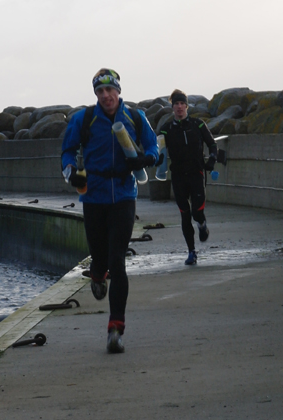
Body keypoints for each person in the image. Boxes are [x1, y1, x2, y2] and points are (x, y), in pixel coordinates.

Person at [61, 68, 159, 353]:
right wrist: (71, 174)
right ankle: (96, 274)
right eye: (100, 92)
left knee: (118, 260)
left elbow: (153, 148)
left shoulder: (135, 117)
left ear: (118, 90)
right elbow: (67, 151)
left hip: (124, 196)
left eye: (110, 90)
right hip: (93, 198)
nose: (106, 96)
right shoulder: (84, 119)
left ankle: (115, 329)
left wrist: (144, 158)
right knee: (100, 259)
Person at [159, 89, 217, 265]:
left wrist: (212, 159)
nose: (179, 107)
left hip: (197, 173)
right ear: (172, 107)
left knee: (197, 212)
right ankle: (191, 252)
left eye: (182, 104)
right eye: (176, 104)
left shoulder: (198, 125)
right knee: (184, 214)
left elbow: (212, 145)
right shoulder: (166, 129)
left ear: (187, 106)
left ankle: (202, 224)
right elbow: (159, 150)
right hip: (178, 176)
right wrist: (156, 160)